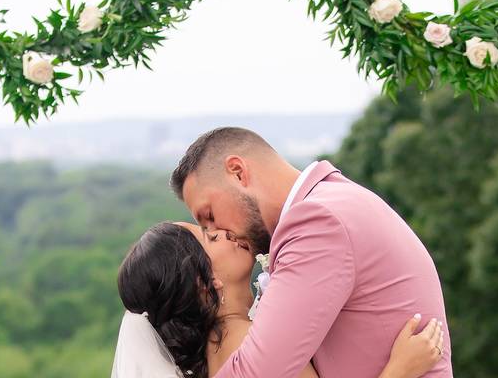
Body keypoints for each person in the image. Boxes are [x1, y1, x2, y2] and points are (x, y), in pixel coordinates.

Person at [168, 126, 452, 378]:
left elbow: (259, 372)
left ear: (238, 172)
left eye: (210, 215)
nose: (220, 232)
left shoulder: (318, 222)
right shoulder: (336, 201)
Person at [115, 221, 444, 377]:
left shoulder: (223, 347)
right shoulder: (246, 346)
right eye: (212, 237)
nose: (227, 232)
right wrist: (401, 369)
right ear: (204, 284)